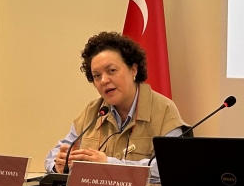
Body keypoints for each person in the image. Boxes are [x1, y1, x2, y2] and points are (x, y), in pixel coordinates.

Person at [45, 32, 185, 175]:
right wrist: (59, 165)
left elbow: (173, 165)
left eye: (112, 70)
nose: (104, 80)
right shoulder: (93, 112)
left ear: (133, 70)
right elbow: (53, 156)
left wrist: (110, 164)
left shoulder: (164, 110)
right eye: (97, 76)